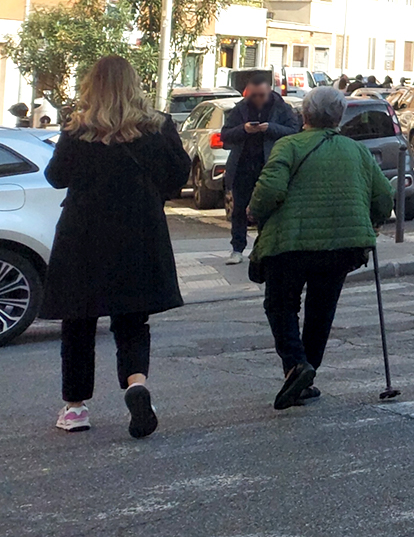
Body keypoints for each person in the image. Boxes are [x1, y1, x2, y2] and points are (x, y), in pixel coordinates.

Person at [41, 56, 187, 436]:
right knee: (133, 319)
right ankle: (137, 385)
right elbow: (180, 174)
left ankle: (75, 408)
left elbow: (56, 176)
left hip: (83, 236)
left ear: (93, 85)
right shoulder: (157, 126)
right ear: (133, 84)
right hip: (139, 233)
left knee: (78, 321)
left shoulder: (79, 128)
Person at [249, 87, 393, 410]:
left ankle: (296, 366)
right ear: (339, 117)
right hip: (343, 245)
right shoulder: (357, 151)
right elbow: (384, 196)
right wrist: (374, 222)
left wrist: (254, 210)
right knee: (321, 310)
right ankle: (305, 376)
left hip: (290, 242)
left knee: (280, 305)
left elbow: (270, 189)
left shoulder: (289, 145)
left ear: (305, 114)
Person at [219, 74, 299, 266]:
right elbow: (225, 134)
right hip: (243, 166)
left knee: (267, 208)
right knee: (239, 209)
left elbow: (294, 131)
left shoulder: (282, 108)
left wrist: (270, 128)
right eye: (253, 95)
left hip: (269, 166)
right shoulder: (241, 108)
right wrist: (244, 129)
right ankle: (237, 249)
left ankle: (264, 247)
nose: (257, 99)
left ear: (269, 91)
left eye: (261, 95)